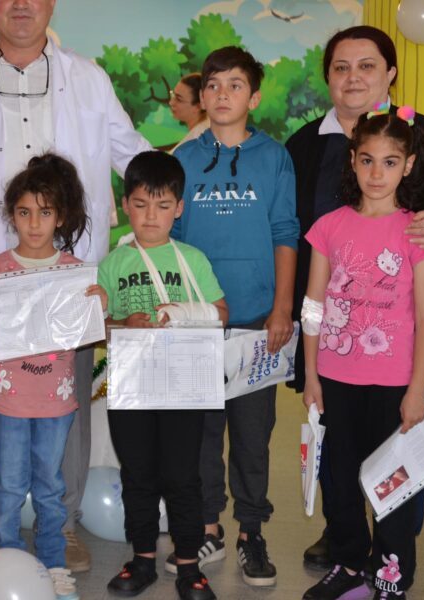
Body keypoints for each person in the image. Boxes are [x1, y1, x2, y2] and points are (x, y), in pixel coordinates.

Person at [0, 0, 152, 571]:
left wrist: (165, 202)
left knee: (65, 403)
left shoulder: (88, 78)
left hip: (67, 278)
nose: (21, 5)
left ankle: (66, 526)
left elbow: (131, 154)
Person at [285, 25, 424, 571]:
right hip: (337, 334)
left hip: (405, 326)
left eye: (366, 65)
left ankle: (393, 547)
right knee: (338, 443)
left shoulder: (420, 134)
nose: (353, 77)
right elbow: (291, 230)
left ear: (390, 73)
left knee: (400, 442)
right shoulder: (304, 144)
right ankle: (344, 538)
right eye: (341, 67)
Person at [171, 46, 299, 587]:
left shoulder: (274, 157)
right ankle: (209, 528)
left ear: (255, 96)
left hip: (255, 325)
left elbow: (285, 233)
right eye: (214, 85)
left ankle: (251, 532)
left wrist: (282, 309)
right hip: (198, 323)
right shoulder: (183, 159)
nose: (223, 94)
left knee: (251, 436)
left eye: (235, 85)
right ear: (202, 96)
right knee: (201, 434)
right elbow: (173, 240)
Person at [300, 108, 424, 600]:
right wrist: (311, 374)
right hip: (335, 379)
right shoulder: (328, 226)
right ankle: (348, 564)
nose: (377, 173)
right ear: (353, 162)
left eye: (390, 162)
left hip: (393, 383)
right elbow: (313, 306)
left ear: (408, 165)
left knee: (392, 486)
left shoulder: (416, 232)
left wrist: (416, 390)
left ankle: (390, 575)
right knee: (339, 482)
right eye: (367, 160)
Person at [0, 154, 103, 600]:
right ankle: (5, 556)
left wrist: (98, 305)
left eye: (45, 213)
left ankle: (53, 561)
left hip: (55, 401)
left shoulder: (73, 271)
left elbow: (89, 328)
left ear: (59, 217)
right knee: (8, 484)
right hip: (7, 399)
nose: (34, 223)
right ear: (12, 215)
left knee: (50, 485)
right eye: (24, 212)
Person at [98, 150, 227, 600]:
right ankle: (142, 559)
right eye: (140, 204)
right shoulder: (113, 264)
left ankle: (189, 564)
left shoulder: (193, 259)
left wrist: (182, 314)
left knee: (182, 476)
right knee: (137, 475)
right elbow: (98, 327)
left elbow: (221, 313)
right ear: (125, 205)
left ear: (179, 208)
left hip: (182, 387)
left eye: (162, 205)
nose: (150, 216)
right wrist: (121, 324)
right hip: (132, 387)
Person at [169, 73, 209, 153]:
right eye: (173, 95)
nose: (171, 103)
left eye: (179, 99)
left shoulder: (198, 140)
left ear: (199, 106)